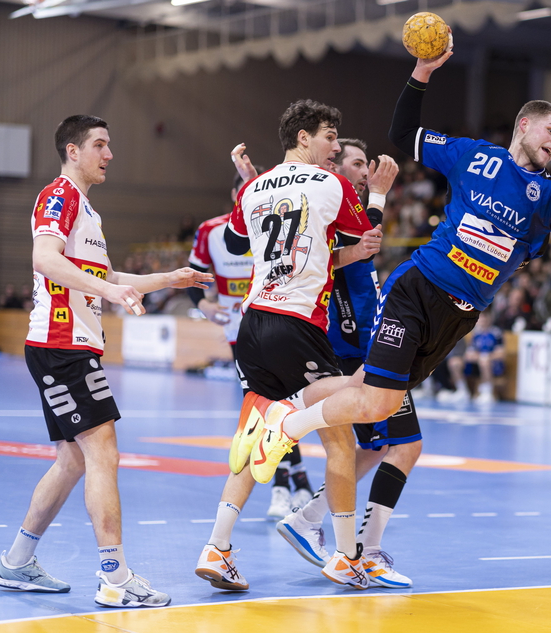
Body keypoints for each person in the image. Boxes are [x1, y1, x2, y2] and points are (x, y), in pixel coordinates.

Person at [238, 36, 551, 518]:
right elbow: (403, 131)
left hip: (460, 316)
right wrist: (423, 72)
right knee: (390, 420)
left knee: (374, 399)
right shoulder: (473, 155)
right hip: (418, 286)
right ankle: (290, 436)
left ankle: (283, 417)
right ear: (524, 125)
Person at [0, 114, 213, 607]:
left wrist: (167, 280)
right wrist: (111, 292)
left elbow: (108, 277)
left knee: (74, 459)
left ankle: (16, 562)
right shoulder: (60, 195)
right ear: (73, 151)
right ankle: (115, 578)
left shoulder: (88, 211)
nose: (109, 154)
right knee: (103, 454)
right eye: (99, 144)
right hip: (62, 345)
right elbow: (45, 258)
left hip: (68, 346)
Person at [193, 100, 396, 592]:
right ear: (303, 138)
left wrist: (255, 185)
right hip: (297, 325)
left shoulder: (254, 188)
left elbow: (241, 242)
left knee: (255, 439)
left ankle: (217, 547)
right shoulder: (331, 183)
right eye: (330, 136)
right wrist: (380, 194)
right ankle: (346, 557)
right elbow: (365, 232)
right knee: (341, 440)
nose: (336, 147)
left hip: (252, 326)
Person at [274, 137, 417, 588]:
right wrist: (379, 195)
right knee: (405, 444)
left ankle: (308, 519)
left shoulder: (343, 209)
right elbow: (362, 243)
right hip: (353, 347)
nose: (365, 170)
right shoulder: (333, 207)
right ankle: (365, 552)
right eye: (356, 163)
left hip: (364, 342)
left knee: (376, 446)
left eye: (365, 164)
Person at [187, 165, 314, 520]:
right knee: (271, 406)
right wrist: (203, 304)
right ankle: (295, 481)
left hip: (279, 322)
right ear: (236, 195)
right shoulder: (211, 231)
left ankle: (286, 486)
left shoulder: (279, 224)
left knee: (278, 404)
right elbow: (194, 272)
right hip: (238, 331)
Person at [464, 311, 506, 403]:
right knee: (458, 362)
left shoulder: (496, 333)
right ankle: (463, 391)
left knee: (485, 362)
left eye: (485, 319)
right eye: (481, 319)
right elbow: (469, 355)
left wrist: (487, 357)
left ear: (489, 319)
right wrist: (481, 357)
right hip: (477, 363)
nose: (483, 321)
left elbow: (501, 354)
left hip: (494, 364)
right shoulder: (475, 334)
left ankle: (488, 392)